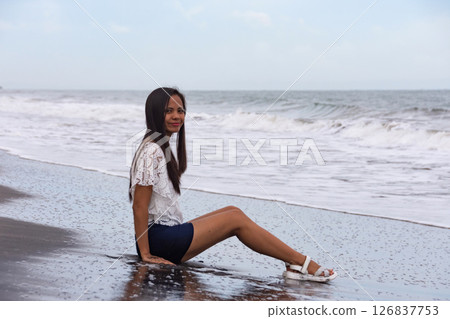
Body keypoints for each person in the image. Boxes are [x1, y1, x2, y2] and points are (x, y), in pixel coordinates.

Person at [129, 87, 337, 282]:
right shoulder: (153, 151)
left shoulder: (158, 147)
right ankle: (300, 263)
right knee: (235, 218)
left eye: (181, 110)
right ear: (156, 113)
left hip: (164, 236)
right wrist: (146, 254)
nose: (177, 116)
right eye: (169, 111)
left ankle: (294, 262)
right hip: (159, 241)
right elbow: (139, 206)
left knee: (232, 210)